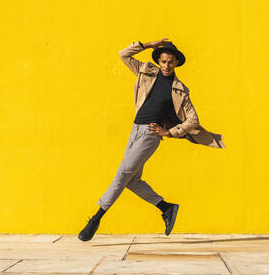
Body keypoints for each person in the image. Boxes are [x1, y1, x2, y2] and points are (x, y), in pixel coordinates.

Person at [78, 38, 225, 242]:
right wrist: (149, 44)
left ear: (176, 63)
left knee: (123, 173)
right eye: (163, 61)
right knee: (131, 181)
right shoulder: (146, 72)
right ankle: (166, 208)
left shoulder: (180, 89)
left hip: (150, 135)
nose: (166, 65)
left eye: (171, 62)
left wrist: (169, 132)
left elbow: (193, 120)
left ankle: (95, 219)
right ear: (159, 61)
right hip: (134, 130)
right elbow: (123, 54)